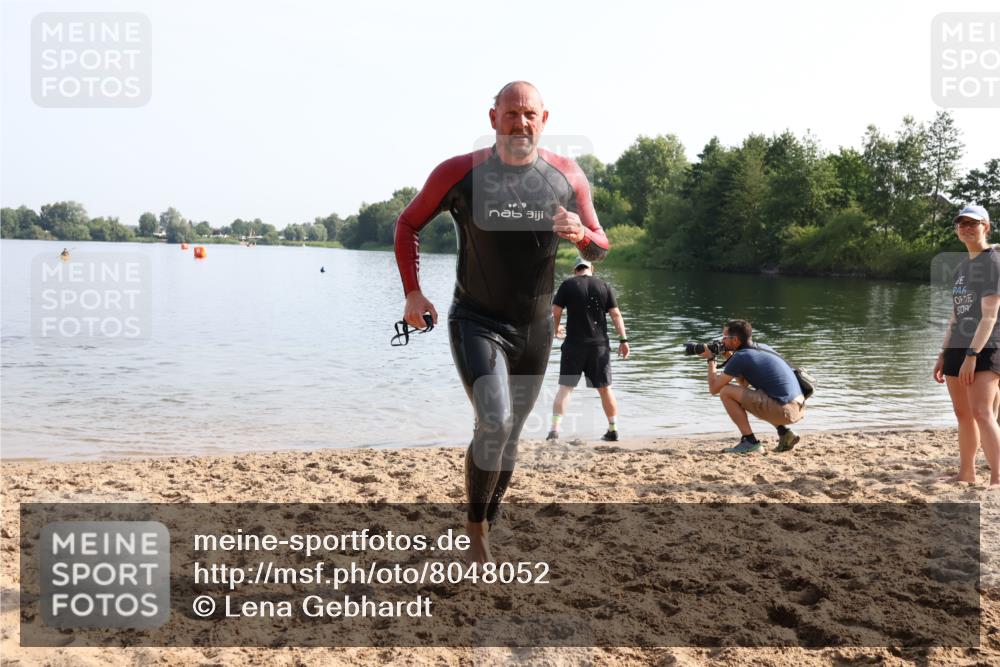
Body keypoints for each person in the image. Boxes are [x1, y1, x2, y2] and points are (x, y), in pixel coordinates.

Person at [394, 81, 610, 563]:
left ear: (544, 119)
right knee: (494, 420)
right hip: (476, 320)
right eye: (510, 114)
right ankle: (476, 535)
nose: (520, 122)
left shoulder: (568, 175)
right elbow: (407, 224)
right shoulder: (459, 173)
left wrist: (580, 234)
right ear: (493, 119)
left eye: (529, 114)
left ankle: (486, 518)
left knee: (509, 437)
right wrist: (412, 290)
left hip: (534, 331)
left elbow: (599, 243)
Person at [933, 204, 1000, 487]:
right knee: (963, 414)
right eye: (961, 223)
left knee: (982, 413)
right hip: (958, 346)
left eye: (973, 223)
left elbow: (989, 315)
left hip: (985, 347)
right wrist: (944, 353)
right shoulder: (962, 267)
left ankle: (997, 478)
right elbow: (955, 314)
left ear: (986, 226)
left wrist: (972, 355)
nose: (966, 227)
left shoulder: (993, 262)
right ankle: (967, 473)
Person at [547, 256, 629, 441]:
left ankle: (554, 430)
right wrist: (623, 340)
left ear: (575, 269)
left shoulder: (568, 285)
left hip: (574, 345)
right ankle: (613, 429)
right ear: (591, 268)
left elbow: (555, 311)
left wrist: (555, 329)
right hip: (599, 347)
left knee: (566, 388)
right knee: (605, 389)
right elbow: (616, 314)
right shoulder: (603, 286)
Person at [701, 319, 805, 453]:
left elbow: (713, 389)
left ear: (735, 340)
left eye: (724, 337)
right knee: (750, 395)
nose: (722, 341)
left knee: (726, 392)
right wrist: (728, 357)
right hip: (797, 406)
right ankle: (785, 433)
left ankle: (750, 442)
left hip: (785, 411)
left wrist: (711, 360)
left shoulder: (742, 357)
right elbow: (743, 384)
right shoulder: (761, 347)